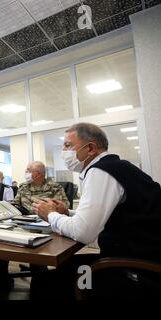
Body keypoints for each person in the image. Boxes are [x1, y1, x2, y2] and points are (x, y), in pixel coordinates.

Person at [31, 123, 161, 299]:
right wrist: (66, 213)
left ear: (91, 148)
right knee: (66, 265)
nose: (63, 151)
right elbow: (106, 216)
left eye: (67, 145)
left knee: (46, 280)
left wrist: (50, 214)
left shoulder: (101, 171)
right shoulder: (115, 167)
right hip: (139, 259)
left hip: (135, 271)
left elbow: (83, 232)